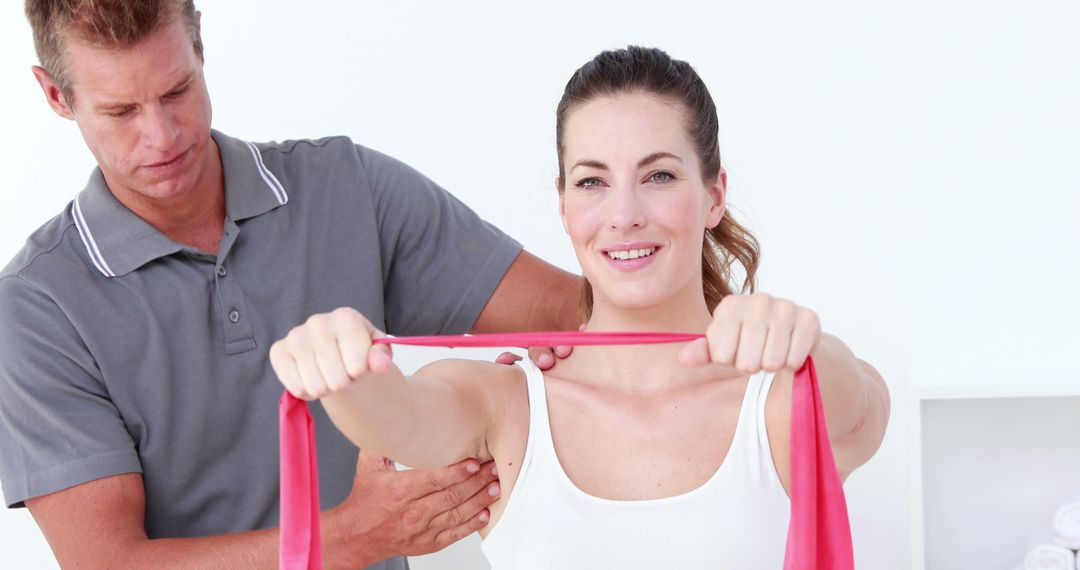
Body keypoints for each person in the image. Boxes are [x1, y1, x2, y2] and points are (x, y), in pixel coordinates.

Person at [0, 1, 581, 568]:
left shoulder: (346, 188)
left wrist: (544, 383)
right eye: (121, 112)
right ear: (56, 95)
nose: (161, 135)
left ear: (198, 40)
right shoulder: (36, 308)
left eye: (176, 91)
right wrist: (353, 538)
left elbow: (574, 316)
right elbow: (106, 562)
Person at [272, 46, 892, 568]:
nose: (624, 215)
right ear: (564, 204)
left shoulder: (780, 399)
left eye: (660, 176)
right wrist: (338, 364)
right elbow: (398, 418)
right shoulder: (506, 402)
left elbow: (863, 404)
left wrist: (803, 344)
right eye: (593, 181)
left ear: (714, 196)